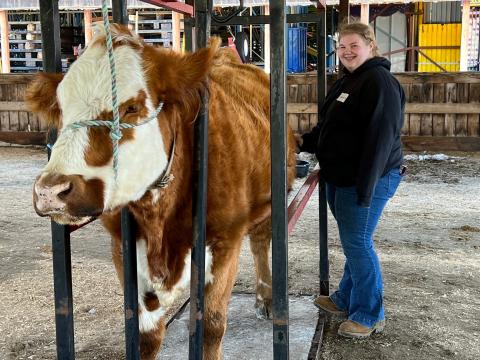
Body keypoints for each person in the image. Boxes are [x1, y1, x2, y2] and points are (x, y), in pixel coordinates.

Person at [297, 21, 406, 339]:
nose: (346, 51)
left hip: (365, 179)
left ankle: (370, 314)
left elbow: (381, 140)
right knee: (353, 241)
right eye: (341, 47)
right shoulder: (348, 81)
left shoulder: (379, 82)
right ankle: (345, 299)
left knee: (358, 243)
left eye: (353, 45)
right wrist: (298, 143)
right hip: (341, 177)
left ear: (371, 45)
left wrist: (366, 190)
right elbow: (328, 129)